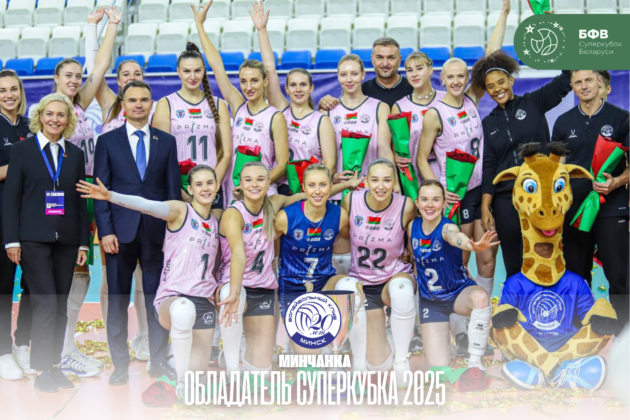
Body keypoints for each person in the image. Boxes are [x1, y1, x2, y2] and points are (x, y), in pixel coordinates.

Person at [416, 1, 511, 356]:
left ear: (467, 79)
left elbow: (492, 56)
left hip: (479, 193)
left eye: (461, 76)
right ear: (442, 81)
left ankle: (480, 325)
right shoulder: (434, 113)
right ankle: (459, 332)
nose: (457, 81)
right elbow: (420, 159)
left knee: (487, 257)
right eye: (451, 77)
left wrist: (503, 15)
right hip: (455, 197)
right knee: (461, 260)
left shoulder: (472, 98)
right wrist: (440, 194)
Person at [78, 164, 221, 397]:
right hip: (173, 299)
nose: (205, 188)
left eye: (209, 183)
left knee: (198, 377)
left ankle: (175, 359)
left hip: (203, 301)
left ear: (217, 186)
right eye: (199, 184)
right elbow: (146, 205)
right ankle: (180, 380)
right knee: (183, 310)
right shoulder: (180, 211)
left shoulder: (215, 222)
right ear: (190, 189)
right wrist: (111, 196)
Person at [93, 80, 180, 386]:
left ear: (151, 104)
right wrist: (105, 231)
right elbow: (101, 192)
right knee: (118, 302)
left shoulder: (166, 142)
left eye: (144, 99)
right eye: (132, 100)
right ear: (124, 105)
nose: (139, 104)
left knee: (157, 300)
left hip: (157, 235)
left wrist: (174, 233)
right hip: (119, 235)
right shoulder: (107, 141)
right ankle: (119, 365)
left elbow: (173, 193)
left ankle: (159, 361)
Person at [3, 93, 89, 392]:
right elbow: (11, 199)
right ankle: (41, 370)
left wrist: (83, 242)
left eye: (61, 115)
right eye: (49, 113)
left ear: (68, 120)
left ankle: (54, 367)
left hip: (67, 239)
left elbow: (79, 202)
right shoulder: (22, 151)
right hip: (33, 240)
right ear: (40, 116)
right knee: (45, 302)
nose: (55, 119)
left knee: (60, 304)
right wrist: (11, 240)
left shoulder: (74, 154)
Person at [52, 5, 120, 376]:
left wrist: (106, 25)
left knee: (81, 273)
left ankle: (66, 348)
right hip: (66, 199)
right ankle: (60, 352)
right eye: (69, 76)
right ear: (56, 79)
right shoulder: (52, 113)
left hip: (88, 195)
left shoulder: (79, 104)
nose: (76, 80)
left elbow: (101, 64)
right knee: (68, 272)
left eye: (79, 76)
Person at [85, 7, 151, 362]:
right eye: (126, 74)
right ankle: (115, 339)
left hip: (142, 204)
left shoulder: (151, 110)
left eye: (137, 74)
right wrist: (101, 27)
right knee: (111, 277)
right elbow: (95, 65)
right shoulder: (110, 104)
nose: (131, 79)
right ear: (118, 80)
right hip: (110, 203)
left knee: (142, 274)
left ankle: (144, 336)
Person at [470, 51, 571, 279]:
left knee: (546, 253)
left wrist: (562, 41)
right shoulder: (488, 122)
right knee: (514, 260)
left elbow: (566, 79)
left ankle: (547, 297)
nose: (497, 89)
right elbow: (489, 165)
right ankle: (518, 299)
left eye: (501, 82)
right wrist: (486, 206)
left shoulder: (533, 102)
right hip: (506, 200)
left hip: (541, 196)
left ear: (511, 80)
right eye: (490, 86)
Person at [323, 159, 416, 386]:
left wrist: (409, 253)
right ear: (365, 181)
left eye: (387, 180)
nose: (381, 186)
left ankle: (402, 360)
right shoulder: (351, 200)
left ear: (395, 182)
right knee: (378, 364)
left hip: (393, 276)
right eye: (375, 180)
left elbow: (413, 240)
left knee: (402, 290)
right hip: (363, 281)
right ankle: (387, 336)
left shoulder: (406, 205)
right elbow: (344, 234)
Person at [552, 70, 629, 331]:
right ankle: (579, 332)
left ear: (600, 83)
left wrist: (616, 182)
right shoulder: (563, 122)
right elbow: (557, 169)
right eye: (578, 82)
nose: (583, 86)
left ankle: (624, 336)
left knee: (619, 275)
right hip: (574, 210)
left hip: (612, 207)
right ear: (572, 86)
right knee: (576, 275)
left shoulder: (622, 118)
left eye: (588, 80)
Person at [192, 2, 289, 204]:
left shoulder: (275, 116)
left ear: (265, 82)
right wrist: (199, 25)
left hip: (262, 195)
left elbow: (282, 165)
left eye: (254, 81)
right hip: (233, 193)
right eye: (243, 81)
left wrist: (254, 185)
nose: (248, 87)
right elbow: (216, 65)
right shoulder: (238, 106)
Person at [410, 180, 497, 371]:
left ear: (444, 204)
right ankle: (446, 344)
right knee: (439, 368)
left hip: (458, 293)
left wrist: (471, 245)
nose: (430, 205)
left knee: (480, 297)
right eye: (424, 199)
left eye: (435, 200)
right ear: (417, 202)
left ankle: (475, 362)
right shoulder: (412, 227)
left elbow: (455, 236)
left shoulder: (447, 227)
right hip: (431, 302)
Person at [251, 1, 336, 195]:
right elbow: (269, 68)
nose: (298, 89)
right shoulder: (281, 111)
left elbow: (330, 165)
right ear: (287, 89)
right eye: (293, 85)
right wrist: (261, 30)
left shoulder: (321, 121)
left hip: (310, 192)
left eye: (303, 85)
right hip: (281, 188)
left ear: (311, 88)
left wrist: (313, 191)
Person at [276, 164, 361, 355]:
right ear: (303, 188)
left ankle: (341, 349)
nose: (317, 191)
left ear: (330, 186)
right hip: (293, 287)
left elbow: (352, 240)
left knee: (351, 286)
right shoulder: (286, 218)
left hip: (324, 282)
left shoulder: (339, 215)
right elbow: (270, 248)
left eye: (322, 185)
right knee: (309, 362)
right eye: (311, 185)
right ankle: (298, 342)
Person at [152, 42, 232, 212]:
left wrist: (211, 186)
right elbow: (161, 155)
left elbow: (226, 154)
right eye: (187, 71)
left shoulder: (219, 104)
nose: (192, 76)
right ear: (178, 72)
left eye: (197, 70)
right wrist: (183, 192)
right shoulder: (166, 104)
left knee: (213, 229)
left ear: (204, 71)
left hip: (212, 187)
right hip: (180, 187)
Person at [0, 70, 34, 380]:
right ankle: (2, 352)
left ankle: (23, 344)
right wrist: (22, 165)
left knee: (33, 285)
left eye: (13, 89)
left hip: (32, 217)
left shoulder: (30, 126)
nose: (9, 95)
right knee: (2, 286)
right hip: (3, 217)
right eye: (2, 90)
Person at [392, 52, 446, 192]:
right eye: (409, 70)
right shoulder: (399, 107)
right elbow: (394, 146)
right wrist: (396, 156)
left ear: (430, 70)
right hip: (415, 179)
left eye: (419, 68)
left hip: (447, 175)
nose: (414, 74)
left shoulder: (446, 99)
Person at [319, 37, 413, 110]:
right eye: (380, 57)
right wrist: (324, 103)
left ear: (399, 60)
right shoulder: (362, 90)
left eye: (391, 58)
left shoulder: (413, 88)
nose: (385, 63)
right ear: (372, 60)